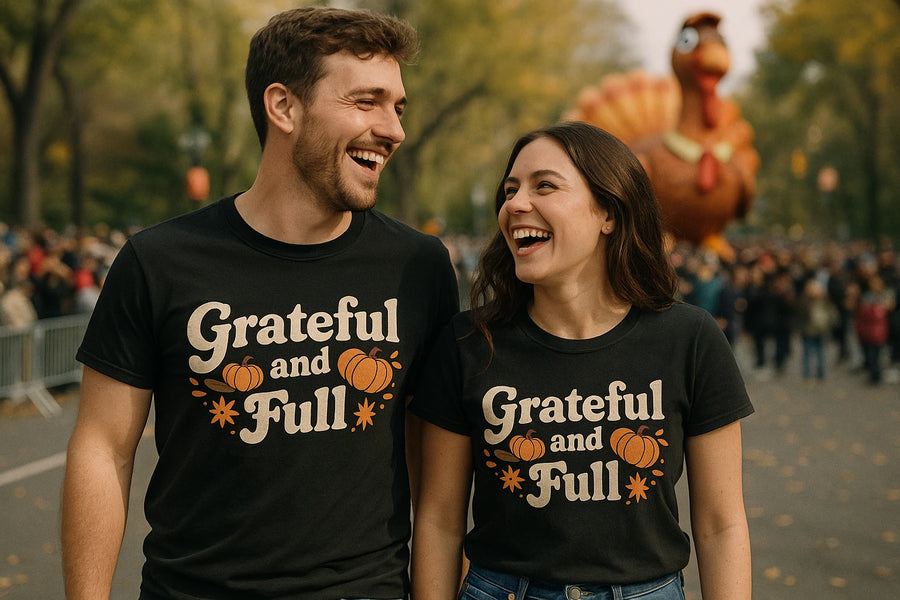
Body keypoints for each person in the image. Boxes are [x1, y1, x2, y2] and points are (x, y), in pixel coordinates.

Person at [62, 7, 458, 600]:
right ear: (284, 107)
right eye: (366, 101)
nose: (394, 129)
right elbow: (103, 450)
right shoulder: (159, 261)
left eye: (397, 106)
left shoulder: (419, 267)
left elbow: (435, 479)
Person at [410, 122, 753, 600]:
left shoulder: (690, 339)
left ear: (608, 213)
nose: (515, 204)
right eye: (510, 190)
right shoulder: (467, 343)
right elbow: (439, 521)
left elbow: (721, 524)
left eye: (544, 185)